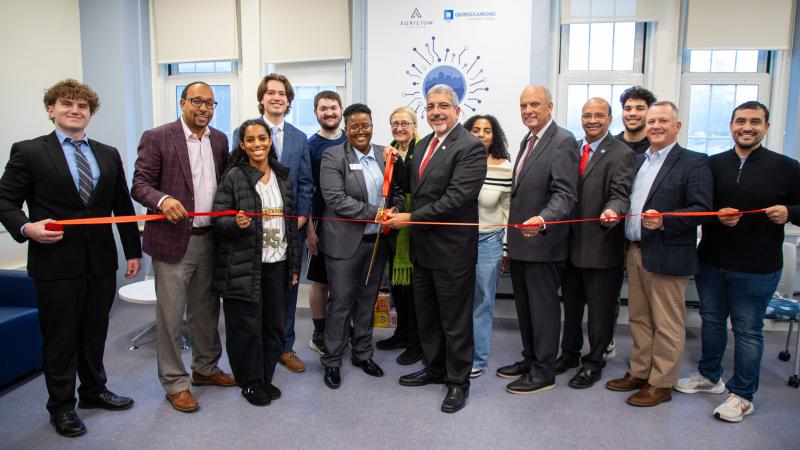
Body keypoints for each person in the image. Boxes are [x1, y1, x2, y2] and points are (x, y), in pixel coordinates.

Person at [0, 79, 141, 437]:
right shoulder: (29, 151)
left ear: (91, 113)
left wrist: (133, 252)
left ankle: (93, 392)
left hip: (100, 261)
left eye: (83, 106)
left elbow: (121, 207)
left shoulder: (108, 153)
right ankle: (61, 407)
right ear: (52, 110)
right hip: (55, 262)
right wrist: (26, 228)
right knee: (60, 338)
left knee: (95, 332)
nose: (75, 110)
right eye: (66, 104)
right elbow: (4, 201)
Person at [674, 101, 800, 422]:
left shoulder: (787, 167)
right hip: (713, 262)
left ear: (766, 127)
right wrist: (715, 216)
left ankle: (743, 394)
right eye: (740, 120)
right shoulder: (711, 165)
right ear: (731, 126)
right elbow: (697, 206)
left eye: (755, 121)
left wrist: (790, 213)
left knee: (747, 331)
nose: (747, 126)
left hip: (758, 267)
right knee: (712, 322)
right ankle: (709, 376)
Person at [132, 81, 235, 413]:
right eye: (197, 101)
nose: (204, 108)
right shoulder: (158, 136)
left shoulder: (220, 140)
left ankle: (205, 369)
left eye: (209, 103)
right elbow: (140, 184)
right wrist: (162, 200)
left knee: (206, 312)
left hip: (211, 239)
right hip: (174, 241)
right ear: (182, 102)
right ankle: (175, 383)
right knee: (171, 316)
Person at [385, 84, 486, 414]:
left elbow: (457, 198)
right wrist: (395, 194)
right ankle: (435, 368)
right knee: (427, 317)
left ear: (457, 110)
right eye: (430, 106)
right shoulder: (424, 144)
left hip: (452, 251)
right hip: (422, 250)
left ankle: (458, 382)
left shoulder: (470, 146)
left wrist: (410, 219)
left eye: (443, 105)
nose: (436, 111)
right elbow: (415, 189)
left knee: (455, 321)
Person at [606, 101, 713, 407]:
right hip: (636, 250)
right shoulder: (638, 160)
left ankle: (661, 383)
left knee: (667, 323)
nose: (655, 126)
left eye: (663, 121)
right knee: (639, 318)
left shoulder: (694, 162)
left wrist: (666, 219)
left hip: (669, 253)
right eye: (652, 121)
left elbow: (702, 210)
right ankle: (640, 373)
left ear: (677, 126)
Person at [211, 120, 300, 406]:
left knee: (273, 325)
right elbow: (218, 220)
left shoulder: (282, 176)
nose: (257, 144)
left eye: (262, 138)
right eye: (250, 140)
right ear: (242, 144)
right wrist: (235, 222)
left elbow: (290, 226)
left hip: (278, 263)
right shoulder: (234, 176)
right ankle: (249, 382)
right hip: (245, 265)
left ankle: (264, 377)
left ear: (270, 141)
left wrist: (294, 267)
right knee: (245, 328)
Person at [497, 86, 578, 395]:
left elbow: (565, 193)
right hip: (521, 244)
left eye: (534, 104)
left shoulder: (562, 141)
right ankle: (530, 360)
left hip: (544, 244)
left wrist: (544, 219)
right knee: (526, 310)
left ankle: (543, 372)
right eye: (523, 105)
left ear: (550, 106)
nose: (528, 110)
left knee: (542, 311)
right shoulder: (529, 140)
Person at [232, 73, 314, 373]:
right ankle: (260, 346)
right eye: (271, 93)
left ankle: (285, 346)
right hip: (254, 229)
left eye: (283, 93)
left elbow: (306, 182)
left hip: (290, 228)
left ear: (289, 100)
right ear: (262, 98)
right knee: (257, 291)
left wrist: (302, 215)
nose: (277, 97)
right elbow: (236, 175)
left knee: (289, 289)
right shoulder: (245, 132)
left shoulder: (299, 138)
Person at [318, 104, 403, 389]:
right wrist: (374, 213)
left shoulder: (384, 154)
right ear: (346, 128)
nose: (360, 131)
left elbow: (397, 192)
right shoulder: (333, 156)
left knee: (367, 301)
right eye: (354, 126)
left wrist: (394, 210)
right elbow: (335, 198)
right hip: (344, 243)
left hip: (376, 241)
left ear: (372, 125)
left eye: (365, 125)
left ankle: (362, 353)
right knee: (341, 303)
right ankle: (332, 360)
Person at [558, 98, 635, 389]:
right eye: (586, 114)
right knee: (572, 308)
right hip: (568, 247)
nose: (592, 120)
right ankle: (569, 353)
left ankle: (593, 363)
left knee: (600, 313)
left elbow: (621, 193)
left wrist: (613, 211)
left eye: (598, 115)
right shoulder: (572, 148)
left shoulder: (621, 153)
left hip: (601, 246)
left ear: (610, 118)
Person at [463, 114, 512, 378]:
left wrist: (506, 249)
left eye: (487, 130)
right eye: (475, 129)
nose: (481, 134)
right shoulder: (457, 163)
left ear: (495, 136)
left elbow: (508, 211)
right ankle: (458, 352)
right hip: (458, 242)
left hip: (489, 241)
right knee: (458, 300)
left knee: (482, 301)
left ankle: (478, 358)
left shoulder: (505, 168)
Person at [376, 106, 424, 366]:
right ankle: (402, 333)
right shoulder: (386, 153)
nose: (400, 128)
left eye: (405, 123)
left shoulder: (424, 150)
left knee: (416, 290)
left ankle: (417, 342)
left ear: (415, 127)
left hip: (416, 227)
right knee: (398, 288)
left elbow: (413, 184)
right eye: (395, 123)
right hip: (393, 228)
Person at [306, 91, 347, 356]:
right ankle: (319, 332)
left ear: (341, 109)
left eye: (333, 107)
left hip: (350, 224)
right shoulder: (310, 147)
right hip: (321, 223)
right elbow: (306, 189)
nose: (329, 112)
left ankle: (344, 329)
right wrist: (310, 229)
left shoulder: (353, 139)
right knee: (321, 281)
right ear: (316, 112)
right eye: (323, 109)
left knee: (345, 281)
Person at [616, 86, 657, 154]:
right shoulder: (610, 145)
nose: (632, 113)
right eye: (628, 109)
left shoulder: (656, 147)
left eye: (640, 108)